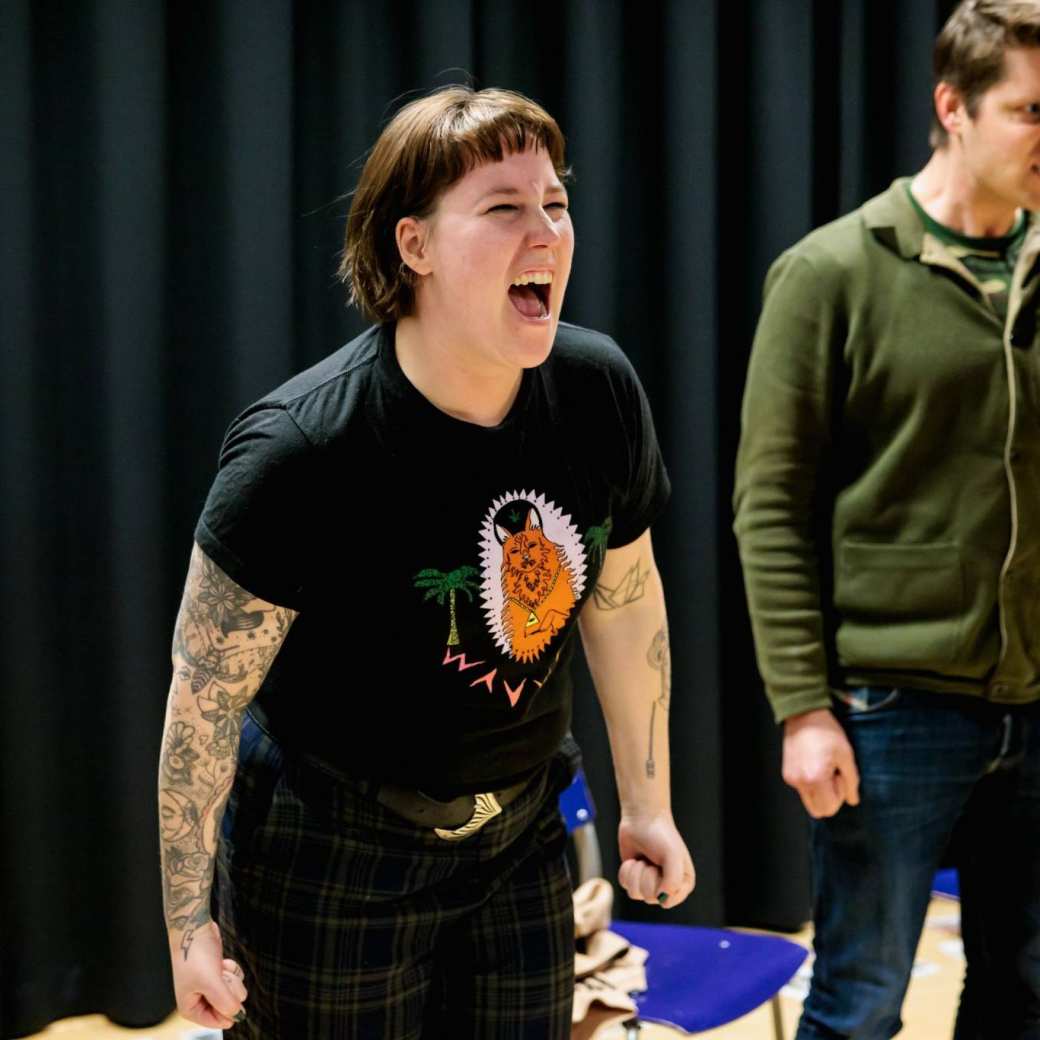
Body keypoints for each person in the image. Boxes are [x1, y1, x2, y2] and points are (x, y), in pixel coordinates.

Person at [157, 85, 695, 1039]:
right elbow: (204, 698)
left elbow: (624, 601)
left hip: (517, 833)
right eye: (504, 208)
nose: (548, 233)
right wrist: (188, 923)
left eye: (557, 203)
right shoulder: (300, 450)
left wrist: (647, 802)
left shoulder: (598, 390)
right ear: (414, 247)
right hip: (329, 847)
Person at [734, 3, 1040, 1037]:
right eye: (1029, 111)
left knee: (1026, 988)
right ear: (950, 107)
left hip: (1037, 698)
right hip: (889, 706)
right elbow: (767, 506)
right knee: (859, 1001)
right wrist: (800, 706)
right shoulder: (830, 274)